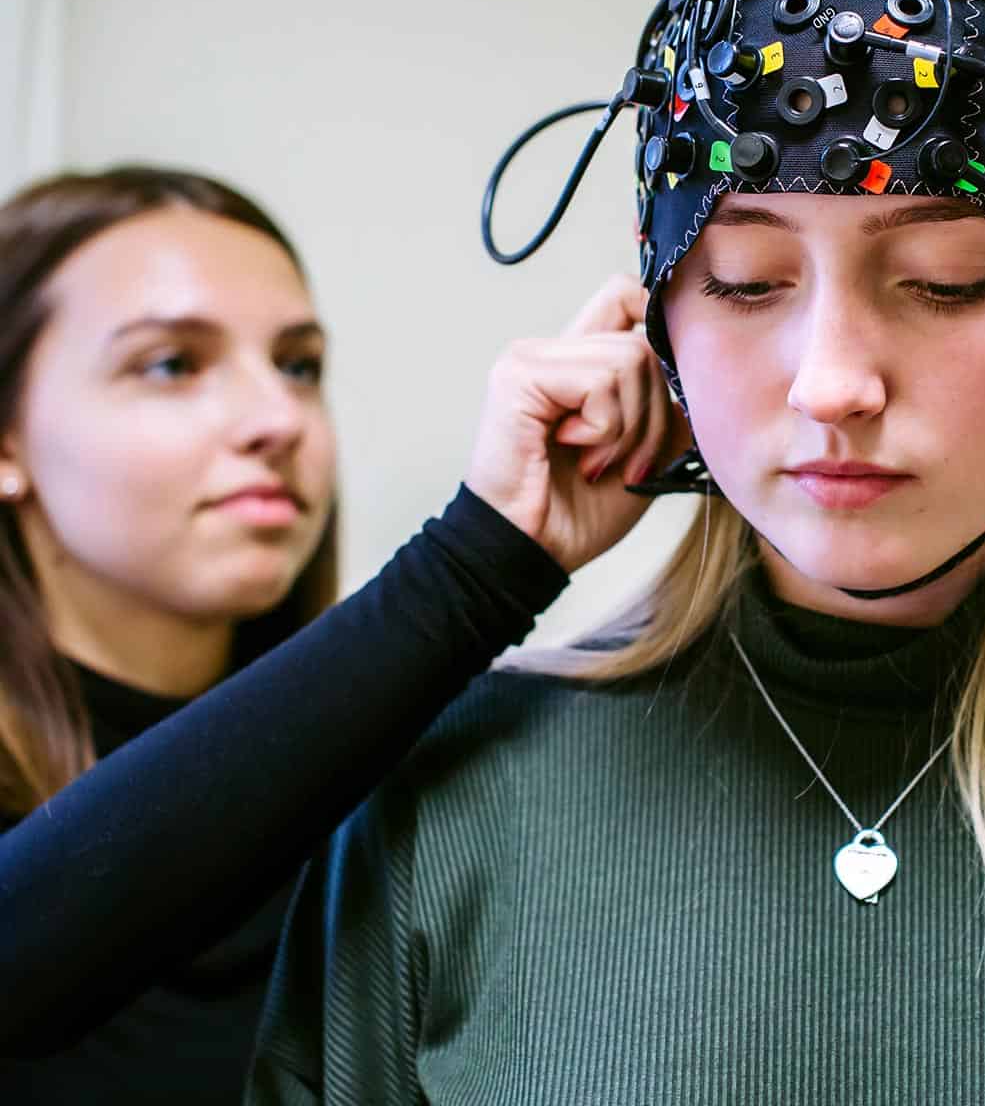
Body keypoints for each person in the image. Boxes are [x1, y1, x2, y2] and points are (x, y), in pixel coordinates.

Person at [248, 0, 985, 1105]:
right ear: (660, 315)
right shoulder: (450, 801)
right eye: (743, 279)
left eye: (945, 279)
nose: (832, 381)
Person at [0, 166, 682, 1102]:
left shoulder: (399, 799)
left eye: (298, 365)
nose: (279, 419)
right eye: (170, 364)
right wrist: (480, 563)